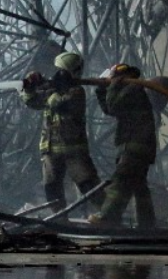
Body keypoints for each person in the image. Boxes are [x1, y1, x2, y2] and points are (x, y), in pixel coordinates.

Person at [21, 52, 103, 215]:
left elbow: (57, 102)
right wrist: (30, 88)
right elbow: (32, 102)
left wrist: (50, 88)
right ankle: (59, 217)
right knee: (51, 188)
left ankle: (110, 215)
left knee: (88, 184)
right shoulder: (54, 89)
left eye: (61, 70)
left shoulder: (77, 92)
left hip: (73, 149)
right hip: (51, 149)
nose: (57, 73)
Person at [90, 63, 157, 228]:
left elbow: (113, 106)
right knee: (138, 185)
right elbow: (110, 109)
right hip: (137, 144)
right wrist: (100, 90)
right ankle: (147, 223)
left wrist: (112, 84)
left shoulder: (133, 88)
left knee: (121, 180)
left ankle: (108, 217)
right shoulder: (129, 89)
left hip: (135, 144)